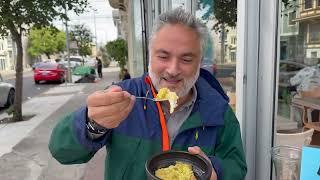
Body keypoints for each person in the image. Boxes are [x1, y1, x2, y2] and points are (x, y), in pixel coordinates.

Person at [49, 8, 247, 180]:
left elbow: (237, 166)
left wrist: (215, 172)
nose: (172, 69)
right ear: (149, 56)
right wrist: (92, 124)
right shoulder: (121, 97)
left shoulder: (218, 110)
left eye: (186, 59)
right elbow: (62, 152)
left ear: (200, 61)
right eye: (163, 56)